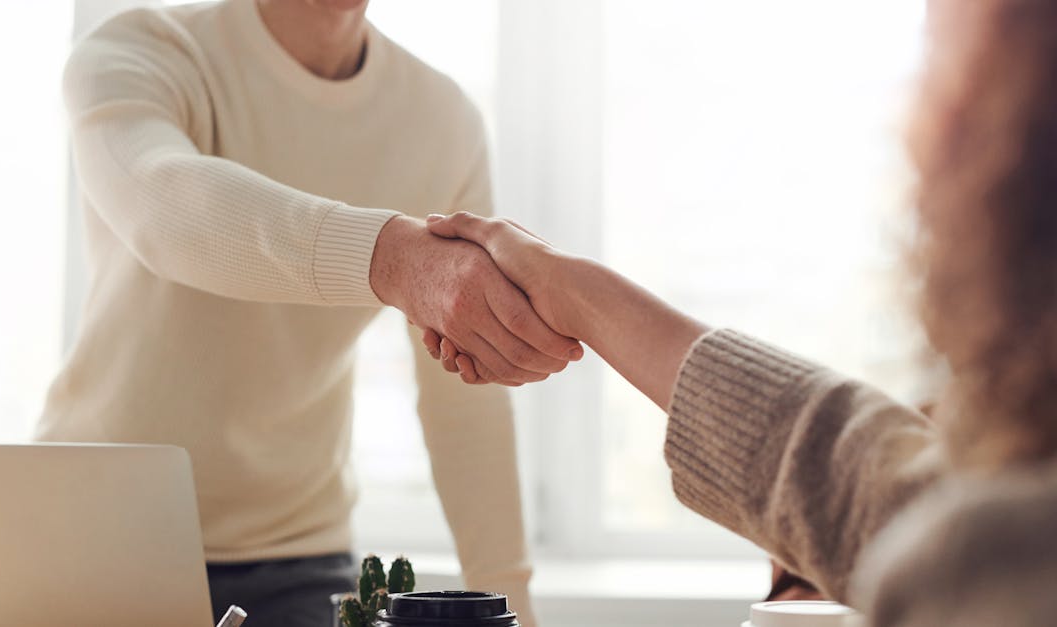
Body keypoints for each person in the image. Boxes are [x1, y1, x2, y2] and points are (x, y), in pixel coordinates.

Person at [420, 0, 1057, 624]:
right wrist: (579, 294)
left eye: (946, 64)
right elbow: (890, 493)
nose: (914, 123)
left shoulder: (987, 563)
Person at [37, 0, 579, 624]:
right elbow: (166, 209)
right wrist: (393, 259)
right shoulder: (143, 47)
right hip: (91, 533)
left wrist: (510, 600)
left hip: (297, 556)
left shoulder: (441, 120)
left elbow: (464, 394)